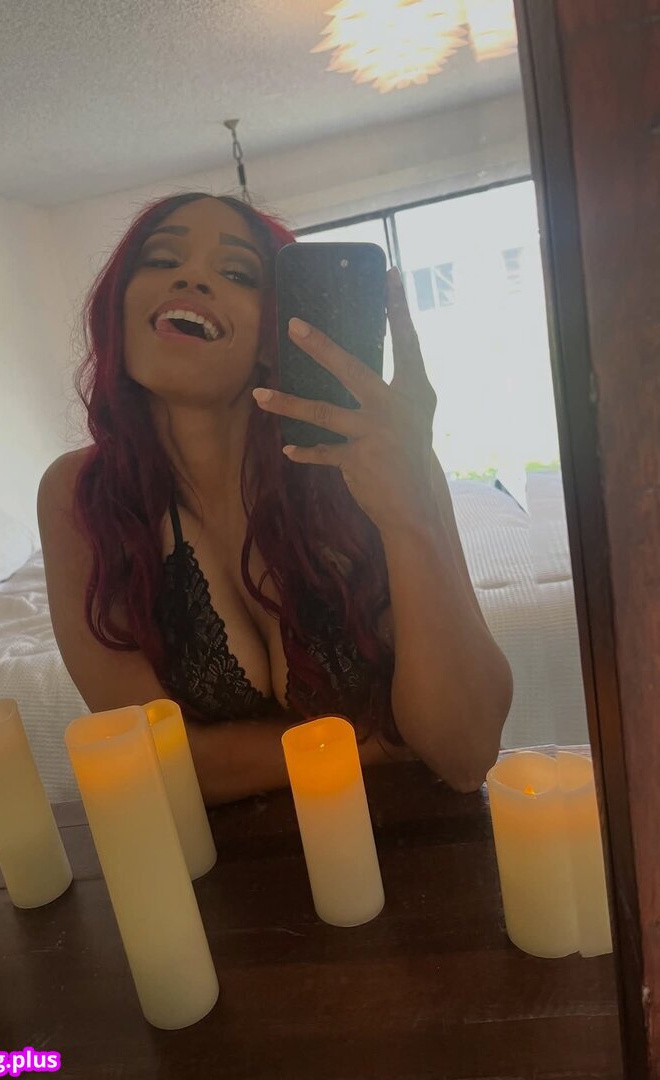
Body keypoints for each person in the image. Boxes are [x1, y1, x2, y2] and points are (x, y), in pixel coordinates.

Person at [38, 193, 513, 806]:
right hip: (228, 862)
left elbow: (466, 751)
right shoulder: (80, 497)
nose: (191, 277)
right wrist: (389, 742)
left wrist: (409, 513)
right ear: (119, 315)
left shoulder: (375, 462)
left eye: (237, 273)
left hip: (414, 838)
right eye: (161, 260)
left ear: (274, 338)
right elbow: (155, 763)